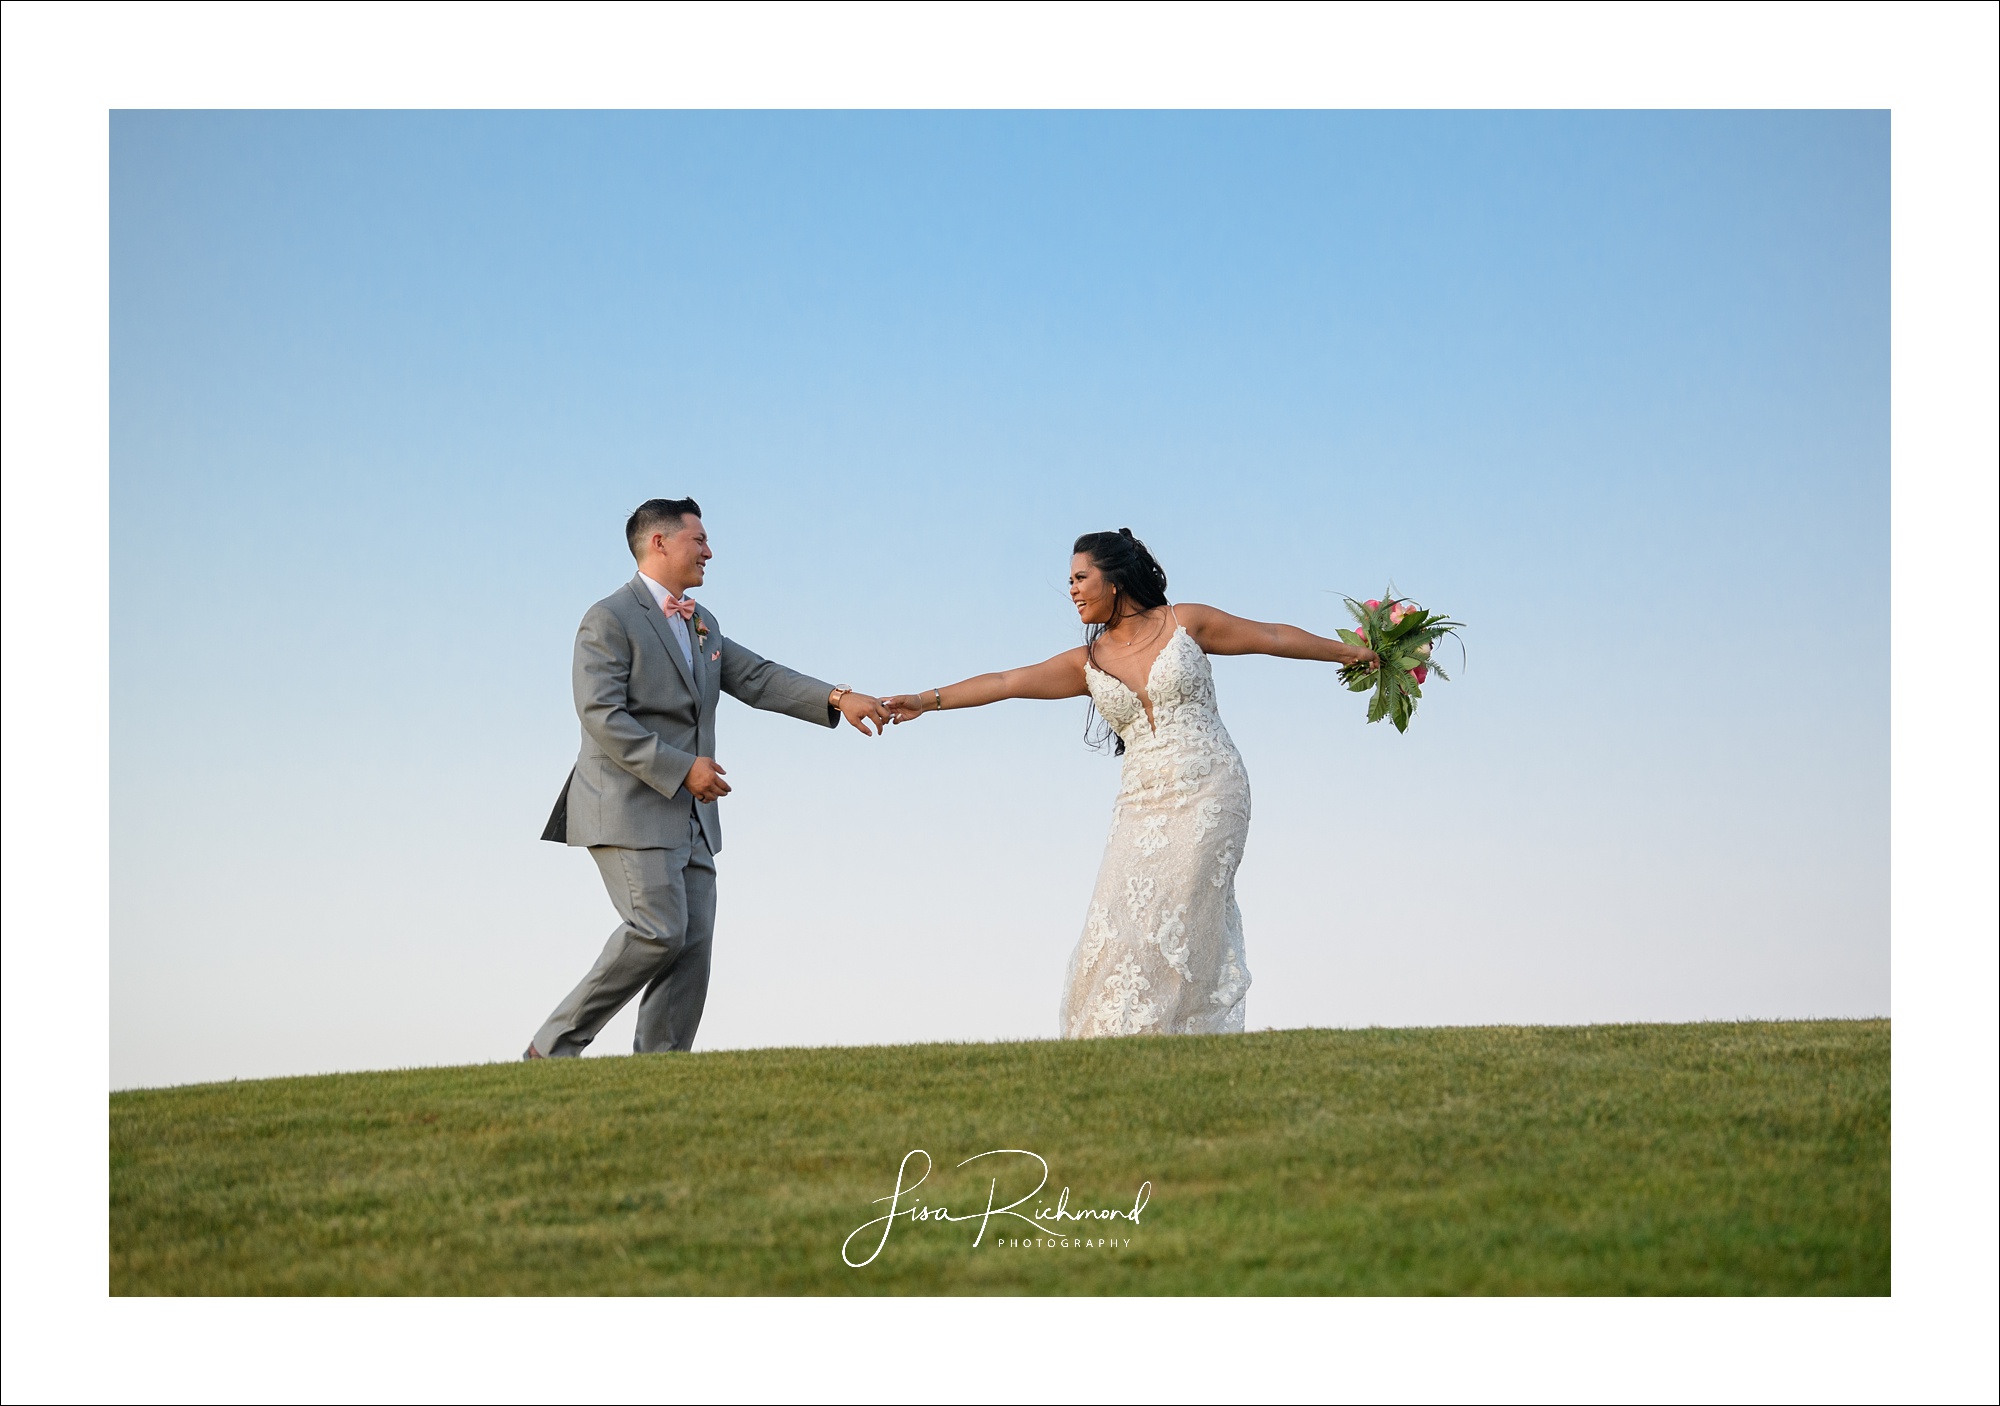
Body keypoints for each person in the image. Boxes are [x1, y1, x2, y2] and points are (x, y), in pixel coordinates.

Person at [883, 528, 1378, 1038]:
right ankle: (1115, 1044)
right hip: (1139, 804)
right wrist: (925, 700)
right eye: (1069, 581)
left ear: (1114, 580)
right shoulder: (1087, 664)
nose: (1072, 590)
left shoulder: (1186, 623)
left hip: (1211, 789)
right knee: (1117, 924)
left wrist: (1352, 654)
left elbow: (1272, 637)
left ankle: (1176, 1037)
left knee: (1179, 919)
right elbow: (1007, 682)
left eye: (1080, 578)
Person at [526, 497, 891, 1058]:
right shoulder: (607, 618)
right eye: (699, 540)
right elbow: (600, 715)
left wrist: (840, 698)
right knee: (657, 931)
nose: (709, 551)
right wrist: (681, 768)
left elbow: (758, 677)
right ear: (660, 542)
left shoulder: (700, 621)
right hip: (627, 806)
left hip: (693, 816)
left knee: (691, 944)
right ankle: (549, 1050)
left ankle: (664, 1069)